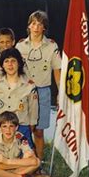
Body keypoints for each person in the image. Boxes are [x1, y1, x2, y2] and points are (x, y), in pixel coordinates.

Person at [16, 10, 61, 162]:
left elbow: (56, 71)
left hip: (43, 91)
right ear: (29, 26)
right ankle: (23, 160)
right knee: (24, 127)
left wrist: (59, 93)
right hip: (23, 91)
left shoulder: (51, 46)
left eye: (39, 24)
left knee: (39, 131)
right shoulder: (20, 45)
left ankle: (39, 161)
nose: (36, 27)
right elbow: (14, 69)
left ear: (44, 28)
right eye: (33, 23)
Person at [0, 48, 38, 148]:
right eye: (6, 61)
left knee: (29, 160)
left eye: (13, 61)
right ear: (2, 65)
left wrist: (30, 128)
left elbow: (33, 110)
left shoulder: (29, 85)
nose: (10, 64)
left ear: (19, 63)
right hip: (0, 128)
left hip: (21, 127)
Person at [0, 111, 51, 177]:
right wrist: (20, 163)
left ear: (16, 127)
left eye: (11, 126)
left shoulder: (21, 137)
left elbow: (34, 161)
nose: (8, 130)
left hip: (14, 168)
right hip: (1, 168)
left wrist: (7, 161)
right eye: (4, 126)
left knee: (37, 162)